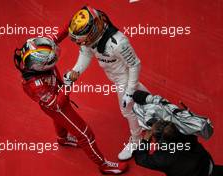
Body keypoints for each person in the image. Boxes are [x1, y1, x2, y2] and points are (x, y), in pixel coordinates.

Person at [13, 37, 128, 174]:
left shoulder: (35, 53)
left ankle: (63, 139)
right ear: (41, 65)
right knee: (85, 135)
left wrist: (74, 25)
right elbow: (57, 105)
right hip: (57, 106)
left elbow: (56, 38)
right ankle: (104, 166)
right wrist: (68, 85)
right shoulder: (34, 86)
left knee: (59, 121)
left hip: (55, 96)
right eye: (53, 57)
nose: (55, 55)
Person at [61, 5, 148, 161]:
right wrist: (76, 71)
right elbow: (86, 54)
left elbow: (135, 64)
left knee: (127, 110)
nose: (81, 42)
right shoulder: (91, 39)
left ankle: (137, 140)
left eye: (82, 39)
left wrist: (128, 92)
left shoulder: (118, 43)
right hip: (115, 77)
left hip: (124, 78)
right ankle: (157, 107)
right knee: (141, 98)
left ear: (93, 31)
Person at [133, 120, 223, 176]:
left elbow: (140, 158)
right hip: (210, 169)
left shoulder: (162, 158)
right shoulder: (187, 135)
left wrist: (145, 140)